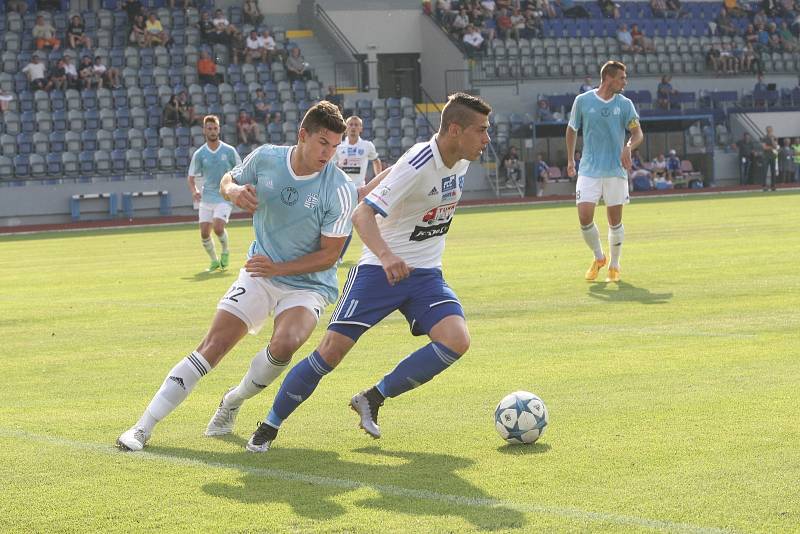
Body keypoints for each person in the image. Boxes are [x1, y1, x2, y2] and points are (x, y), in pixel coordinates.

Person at [241, 93, 492, 453]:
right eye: (481, 131)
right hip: (379, 271)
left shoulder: (458, 158)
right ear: (455, 130)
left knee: (457, 340)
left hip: (425, 275)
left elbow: (400, 167)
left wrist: (375, 183)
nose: (487, 139)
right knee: (330, 352)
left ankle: (373, 397)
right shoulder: (421, 163)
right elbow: (361, 215)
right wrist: (387, 256)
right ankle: (268, 426)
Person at [116, 102, 360, 452]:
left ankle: (233, 400)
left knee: (286, 342)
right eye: (323, 142)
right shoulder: (267, 158)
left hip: (308, 283)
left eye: (335, 145)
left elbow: (329, 255)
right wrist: (232, 192)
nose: (329, 153)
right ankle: (141, 428)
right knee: (211, 347)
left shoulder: (338, 187)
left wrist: (279, 269)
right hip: (261, 271)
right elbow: (229, 179)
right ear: (302, 135)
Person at [566, 60, 643, 283]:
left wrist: (628, 146)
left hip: (615, 170)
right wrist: (571, 159)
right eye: (621, 78)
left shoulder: (625, 104)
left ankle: (614, 265)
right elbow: (572, 130)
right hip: (589, 168)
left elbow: (638, 134)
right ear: (608, 78)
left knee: (614, 220)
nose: (624, 82)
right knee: (584, 216)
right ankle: (599, 257)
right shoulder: (583, 101)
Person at [185, 115, 242, 272]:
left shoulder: (229, 151)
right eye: (209, 128)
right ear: (204, 130)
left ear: (219, 129)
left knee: (217, 227)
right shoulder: (200, 154)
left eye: (215, 128)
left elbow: (241, 169)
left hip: (224, 196)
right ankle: (214, 261)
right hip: (207, 197)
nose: (212, 131)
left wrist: (236, 187)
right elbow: (191, 177)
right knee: (204, 233)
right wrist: (194, 190)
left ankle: (225, 251)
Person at [335, 115, 383, 261]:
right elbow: (330, 166)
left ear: (361, 128)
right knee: (342, 221)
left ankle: (339, 256)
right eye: (350, 125)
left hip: (358, 190)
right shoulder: (339, 147)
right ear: (345, 128)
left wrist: (378, 180)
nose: (353, 127)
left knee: (348, 221)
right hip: (341, 189)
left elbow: (376, 161)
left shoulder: (367, 146)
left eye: (356, 125)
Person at [761, 125, 778, 190]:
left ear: (772, 130)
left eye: (770, 130)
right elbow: (764, 147)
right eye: (768, 130)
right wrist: (772, 147)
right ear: (766, 131)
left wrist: (772, 139)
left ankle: (773, 186)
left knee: (773, 171)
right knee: (764, 171)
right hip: (765, 156)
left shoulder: (775, 137)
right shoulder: (764, 138)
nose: (769, 131)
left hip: (772, 156)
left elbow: (776, 146)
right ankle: (764, 186)